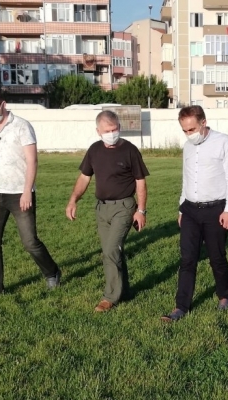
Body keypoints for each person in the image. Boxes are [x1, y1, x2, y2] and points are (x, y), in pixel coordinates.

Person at [0, 88, 61, 301]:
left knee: (29, 242)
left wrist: (27, 191)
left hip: (19, 194)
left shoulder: (22, 126)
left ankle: (52, 272)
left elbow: (32, 161)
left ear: (3, 104)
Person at [161, 105, 228, 322]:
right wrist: (181, 207)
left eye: (192, 129)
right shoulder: (187, 147)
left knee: (217, 257)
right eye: (185, 130)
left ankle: (224, 296)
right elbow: (186, 179)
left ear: (203, 122)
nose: (189, 134)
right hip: (190, 210)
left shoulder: (224, 142)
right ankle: (181, 307)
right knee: (187, 259)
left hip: (216, 209)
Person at [66, 110, 149, 312]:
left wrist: (141, 210)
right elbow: (84, 177)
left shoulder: (130, 150)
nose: (112, 134)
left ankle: (110, 297)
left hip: (124, 207)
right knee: (111, 251)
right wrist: (73, 200)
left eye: (115, 129)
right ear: (98, 131)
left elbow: (140, 182)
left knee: (111, 250)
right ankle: (124, 291)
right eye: (107, 131)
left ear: (119, 127)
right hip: (102, 208)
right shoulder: (94, 150)